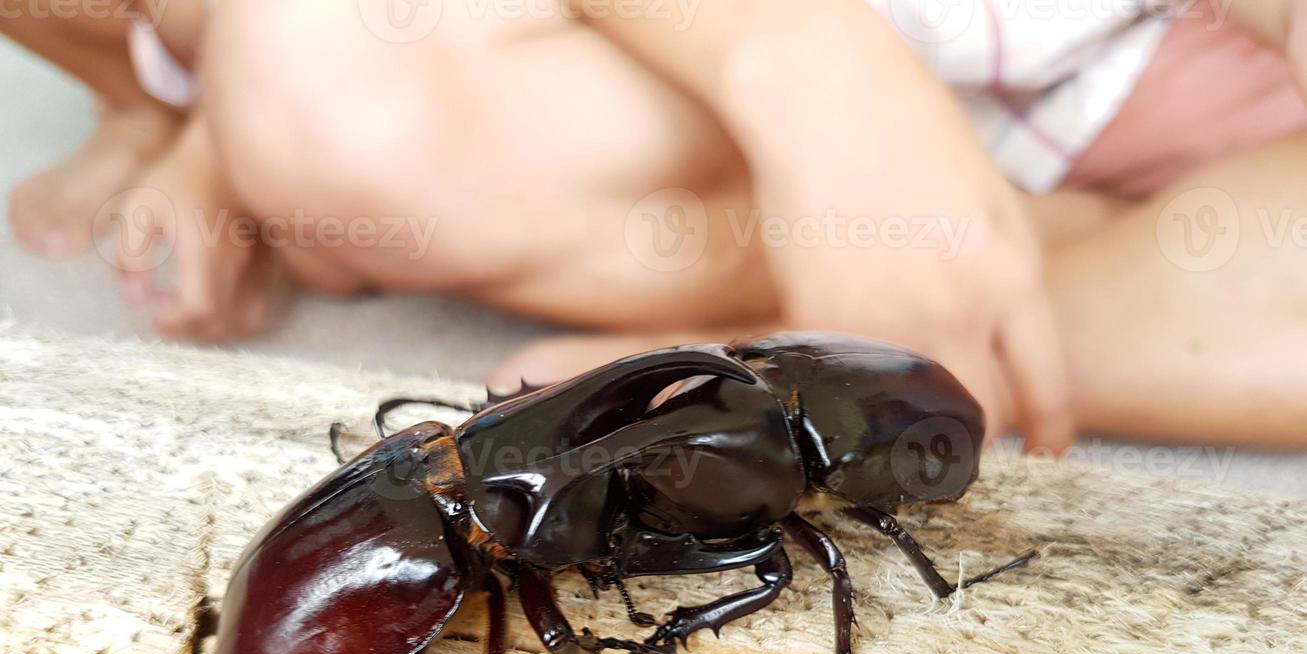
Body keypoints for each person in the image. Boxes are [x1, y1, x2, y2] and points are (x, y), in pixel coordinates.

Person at [6, 0, 1307, 451]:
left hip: (1172, 89)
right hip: (676, 59)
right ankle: (175, 98)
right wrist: (805, 65)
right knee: (316, 101)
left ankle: (841, 344)